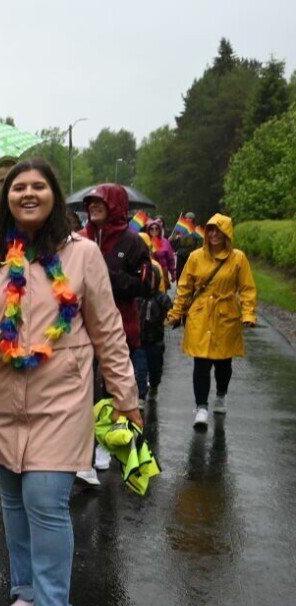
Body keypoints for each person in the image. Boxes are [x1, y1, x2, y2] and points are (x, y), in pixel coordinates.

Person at [0, 159, 141, 606]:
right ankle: (26, 591)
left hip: (61, 394)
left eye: (38, 186)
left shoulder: (82, 255)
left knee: (45, 502)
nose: (28, 194)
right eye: (18, 188)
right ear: (6, 198)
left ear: (53, 195)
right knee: (12, 500)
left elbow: (108, 329)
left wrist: (126, 396)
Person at [80, 184, 152, 484]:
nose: (94, 206)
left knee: (110, 390)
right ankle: (82, 450)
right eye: (91, 202)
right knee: (83, 389)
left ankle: (105, 446)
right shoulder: (79, 239)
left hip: (119, 326)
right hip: (79, 327)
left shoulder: (133, 243)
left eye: (101, 202)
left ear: (116, 206)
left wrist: (105, 275)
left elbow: (145, 286)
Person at [166, 213, 257, 429]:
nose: (214, 234)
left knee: (224, 363)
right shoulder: (196, 257)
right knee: (201, 362)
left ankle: (221, 394)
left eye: (218, 230)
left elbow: (246, 288)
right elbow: (185, 288)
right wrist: (176, 312)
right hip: (200, 315)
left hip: (226, 315)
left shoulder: (238, 258)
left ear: (227, 233)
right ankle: (201, 408)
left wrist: (248, 313)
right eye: (211, 230)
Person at [138, 233, 173, 400]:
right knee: (140, 366)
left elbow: (169, 308)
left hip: (156, 338)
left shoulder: (160, 297)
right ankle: (141, 393)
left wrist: (172, 317)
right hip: (140, 338)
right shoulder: (137, 296)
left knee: (155, 367)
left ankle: (155, 384)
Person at [146, 217, 176, 286]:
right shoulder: (145, 240)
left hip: (163, 271)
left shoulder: (165, 242)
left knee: (162, 292)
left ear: (159, 230)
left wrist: (173, 272)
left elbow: (171, 259)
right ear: (148, 230)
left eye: (156, 228)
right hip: (150, 271)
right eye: (152, 228)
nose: (154, 230)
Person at [172, 211, 199, 283]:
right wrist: (176, 238)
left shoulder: (195, 229)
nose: (188, 219)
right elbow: (172, 240)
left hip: (190, 254)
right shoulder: (180, 229)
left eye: (190, 218)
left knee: (189, 273)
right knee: (179, 273)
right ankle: (179, 287)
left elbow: (198, 243)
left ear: (193, 220)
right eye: (186, 218)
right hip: (181, 254)